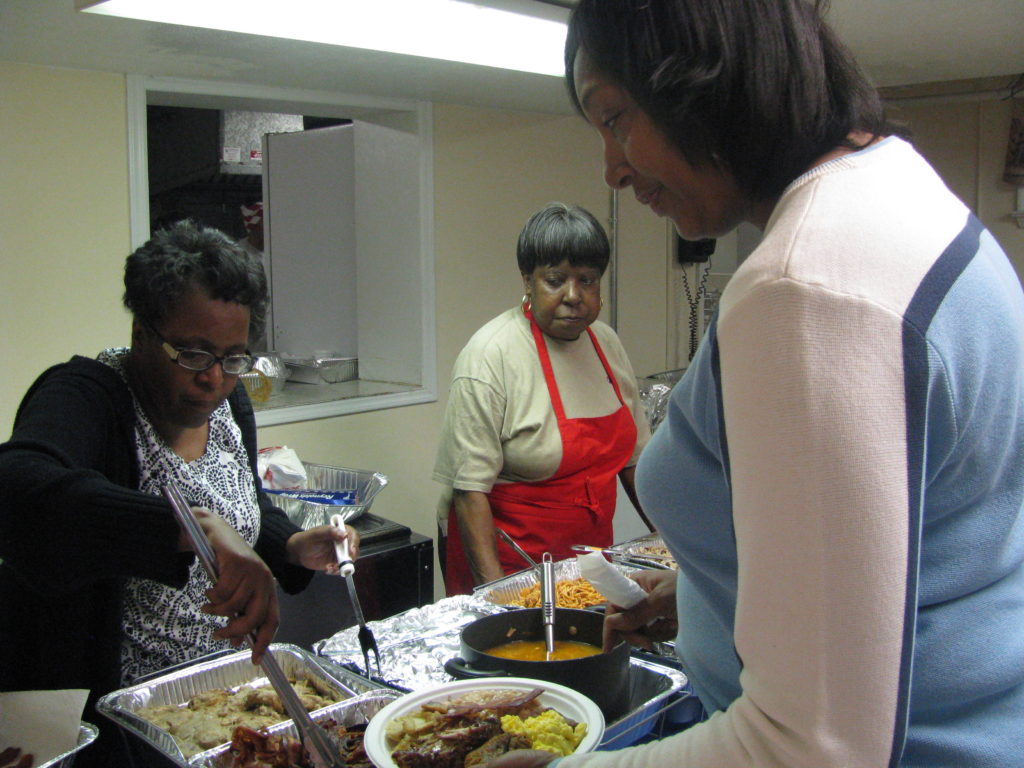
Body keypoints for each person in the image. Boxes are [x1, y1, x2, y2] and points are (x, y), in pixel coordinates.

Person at [491, 1, 1024, 767]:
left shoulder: (808, 291)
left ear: (703, 80)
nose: (610, 167)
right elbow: (924, 543)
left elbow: (811, 749)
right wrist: (715, 593)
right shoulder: (906, 195)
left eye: (614, 118)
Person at [0, 220, 359, 767]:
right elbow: (18, 490)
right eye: (193, 354)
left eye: (233, 358)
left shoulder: (227, 405)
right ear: (143, 333)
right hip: (125, 726)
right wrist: (190, 528)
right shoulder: (87, 396)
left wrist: (289, 545)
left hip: (223, 701)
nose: (214, 378)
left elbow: (242, 503)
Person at [433, 202, 653, 594]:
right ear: (527, 281)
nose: (574, 296)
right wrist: (494, 596)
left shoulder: (606, 343)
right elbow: (469, 493)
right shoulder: (490, 355)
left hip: (587, 564)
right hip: (514, 566)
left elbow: (636, 462)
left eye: (587, 281)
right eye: (555, 280)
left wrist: (672, 544)